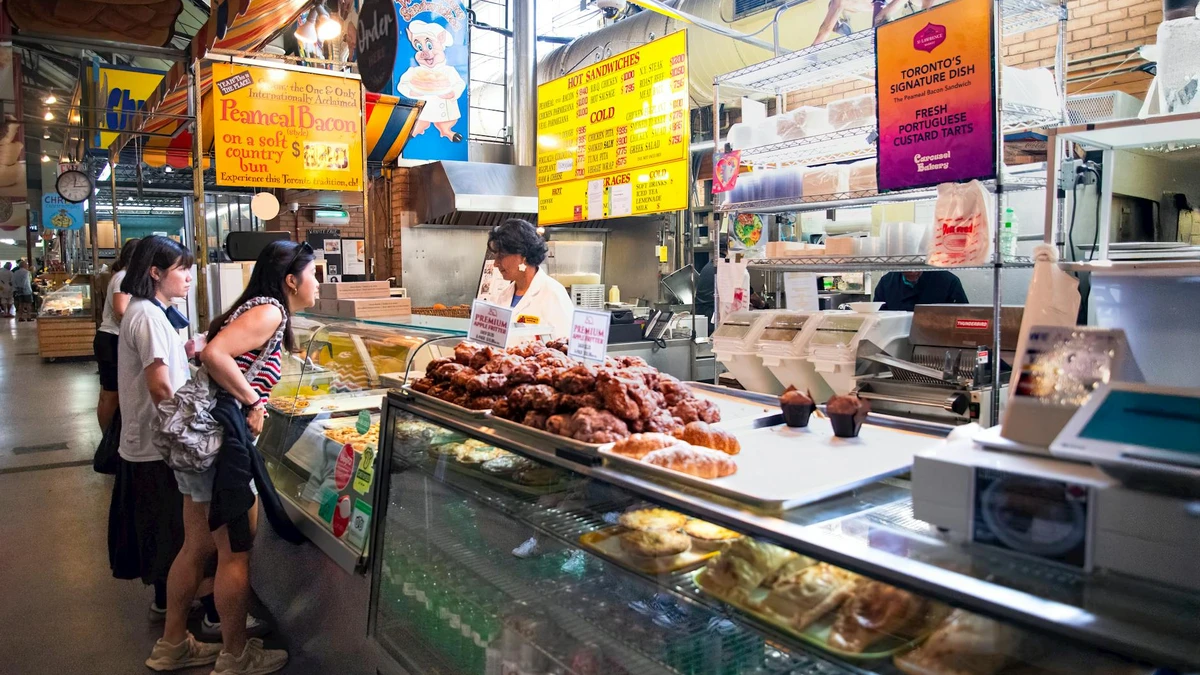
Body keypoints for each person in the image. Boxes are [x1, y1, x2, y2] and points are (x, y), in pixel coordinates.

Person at [153, 240, 317, 675]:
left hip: (198, 441)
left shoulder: (254, 306)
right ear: (290, 280)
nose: (316, 282)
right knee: (234, 554)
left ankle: (172, 645)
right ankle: (235, 655)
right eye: (312, 273)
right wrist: (252, 402)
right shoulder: (270, 311)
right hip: (220, 445)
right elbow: (214, 354)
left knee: (195, 546)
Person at [105, 237, 218, 670]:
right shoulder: (148, 316)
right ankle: (200, 622)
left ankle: (166, 607)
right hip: (157, 447)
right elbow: (160, 387)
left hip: (147, 444)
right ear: (155, 272)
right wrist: (192, 434)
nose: (189, 277)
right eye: (181, 269)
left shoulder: (144, 312)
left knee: (163, 532)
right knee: (183, 538)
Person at [482, 219, 575, 340]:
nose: (495, 264)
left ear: (523, 256)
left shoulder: (553, 293)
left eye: (501, 256)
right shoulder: (501, 296)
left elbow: (565, 347)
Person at [94, 239, 140, 430]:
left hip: (113, 339)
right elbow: (121, 310)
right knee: (111, 394)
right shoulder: (123, 278)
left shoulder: (125, 276)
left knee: (110, 393)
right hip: (112, 339)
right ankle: (107, 439)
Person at [872, 270, 968, 311]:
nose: (912, 271)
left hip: (938, 343)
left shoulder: (948, 281)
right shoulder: (886, 282)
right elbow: (877, 319)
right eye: (906, 265)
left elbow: (963, 317)